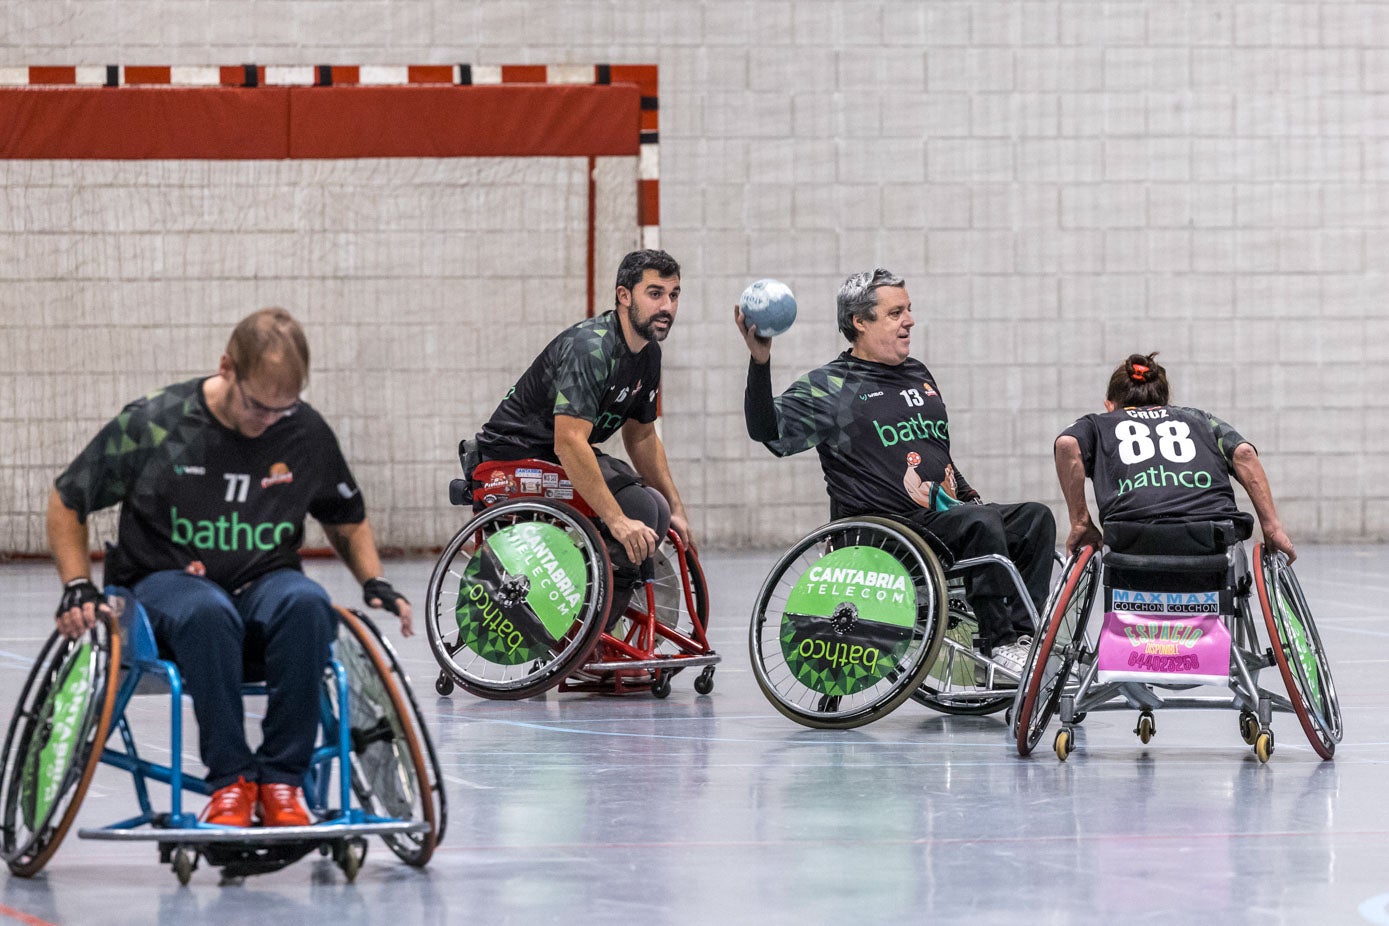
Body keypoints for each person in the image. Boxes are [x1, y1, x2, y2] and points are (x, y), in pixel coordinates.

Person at [49, 307, 411, 828]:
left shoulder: (304, 432)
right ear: (227, 368)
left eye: (282, 410)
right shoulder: (157, 422)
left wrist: (373, 579)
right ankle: (232, 782)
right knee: (207, 612)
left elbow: (345, 517)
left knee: (309, 604)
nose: (268, 420)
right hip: (164, 586)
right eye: (257, 405)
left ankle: (283, 781)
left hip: (263, 583)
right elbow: (68, 500)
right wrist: (77, 584)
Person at [737, 268, 1056, 675]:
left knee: (1034, 519)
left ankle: (1023, 640)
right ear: (860, 321)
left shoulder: (918, 374)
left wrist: (967, 493)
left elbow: (934, 450)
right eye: (895, 313)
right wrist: (760, 361)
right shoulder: (831, 386)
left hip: (940, 519)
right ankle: (999, 643)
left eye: (908, 309)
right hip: (885, 533)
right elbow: (765, 430)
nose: (910, 320)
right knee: (978, 524)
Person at [469, 248, 693, 588]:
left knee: (658, 508)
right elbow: (569, 442)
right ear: (624, 296)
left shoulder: (649, 354)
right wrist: (617, 521)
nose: (667, 307)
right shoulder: (591, 347)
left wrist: (677, 507)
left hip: (555, 454)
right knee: (639, 511)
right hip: (514, 457)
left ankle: (603, 598)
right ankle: (583, 611)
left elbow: (642, 437)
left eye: (673, 295)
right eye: (655, 294)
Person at [1054, 352, 1295, 561]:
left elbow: (1067, 444)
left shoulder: (1099, 424)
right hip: (1210, 533)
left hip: (1131, 536)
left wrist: (1080, 522)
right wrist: (1272, 526)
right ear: (1166, 402)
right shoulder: (1200, 419)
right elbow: (1244, 453)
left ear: (1110, 405)